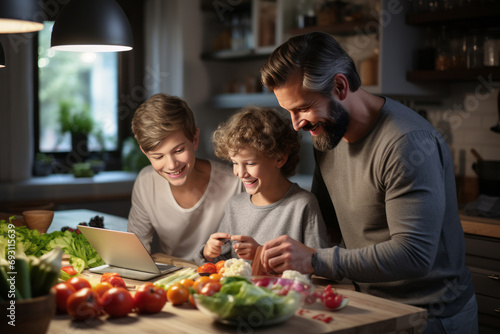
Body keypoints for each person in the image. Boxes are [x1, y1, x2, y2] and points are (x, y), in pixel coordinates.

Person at [259, 32, 477, 333]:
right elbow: (328, 223)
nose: (297, 124)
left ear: (340, 86)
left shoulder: (406, 143)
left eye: (303, 108)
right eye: (289, 112)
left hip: (430, 315)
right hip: (370, 303)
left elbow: (414, 255)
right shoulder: (326, 135)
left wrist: (315, 261)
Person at [194, 106, 328, 265]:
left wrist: (260, 253)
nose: (240, 172)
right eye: (235, 163)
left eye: (250, 163)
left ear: (279, 158)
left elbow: (318, 266)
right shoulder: (235, 205)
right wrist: (208, 254)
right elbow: (224, 263)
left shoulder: (302, 205)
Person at [128, 93, 243, 261]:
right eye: (158, 157)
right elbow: (135, 248)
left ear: (195, 139)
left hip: (217, 278)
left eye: (179, 150)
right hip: (173, 279)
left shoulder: (234, 183)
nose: (172, 165)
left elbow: (244, 253)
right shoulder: (146, 182)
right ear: (145, 153)